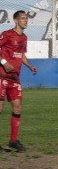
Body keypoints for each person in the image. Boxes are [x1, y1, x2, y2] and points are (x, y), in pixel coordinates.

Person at [0, 10, 37, 152]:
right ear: (16, 21)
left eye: (26, 19)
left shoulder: (24, 38)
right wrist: (3, 62)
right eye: (22, 19)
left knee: (17, 107)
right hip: (2, 75)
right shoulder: (7, 34)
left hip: (14, 77)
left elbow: (21, 54)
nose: (25, 21)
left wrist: (29, 66)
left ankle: (13, 140)